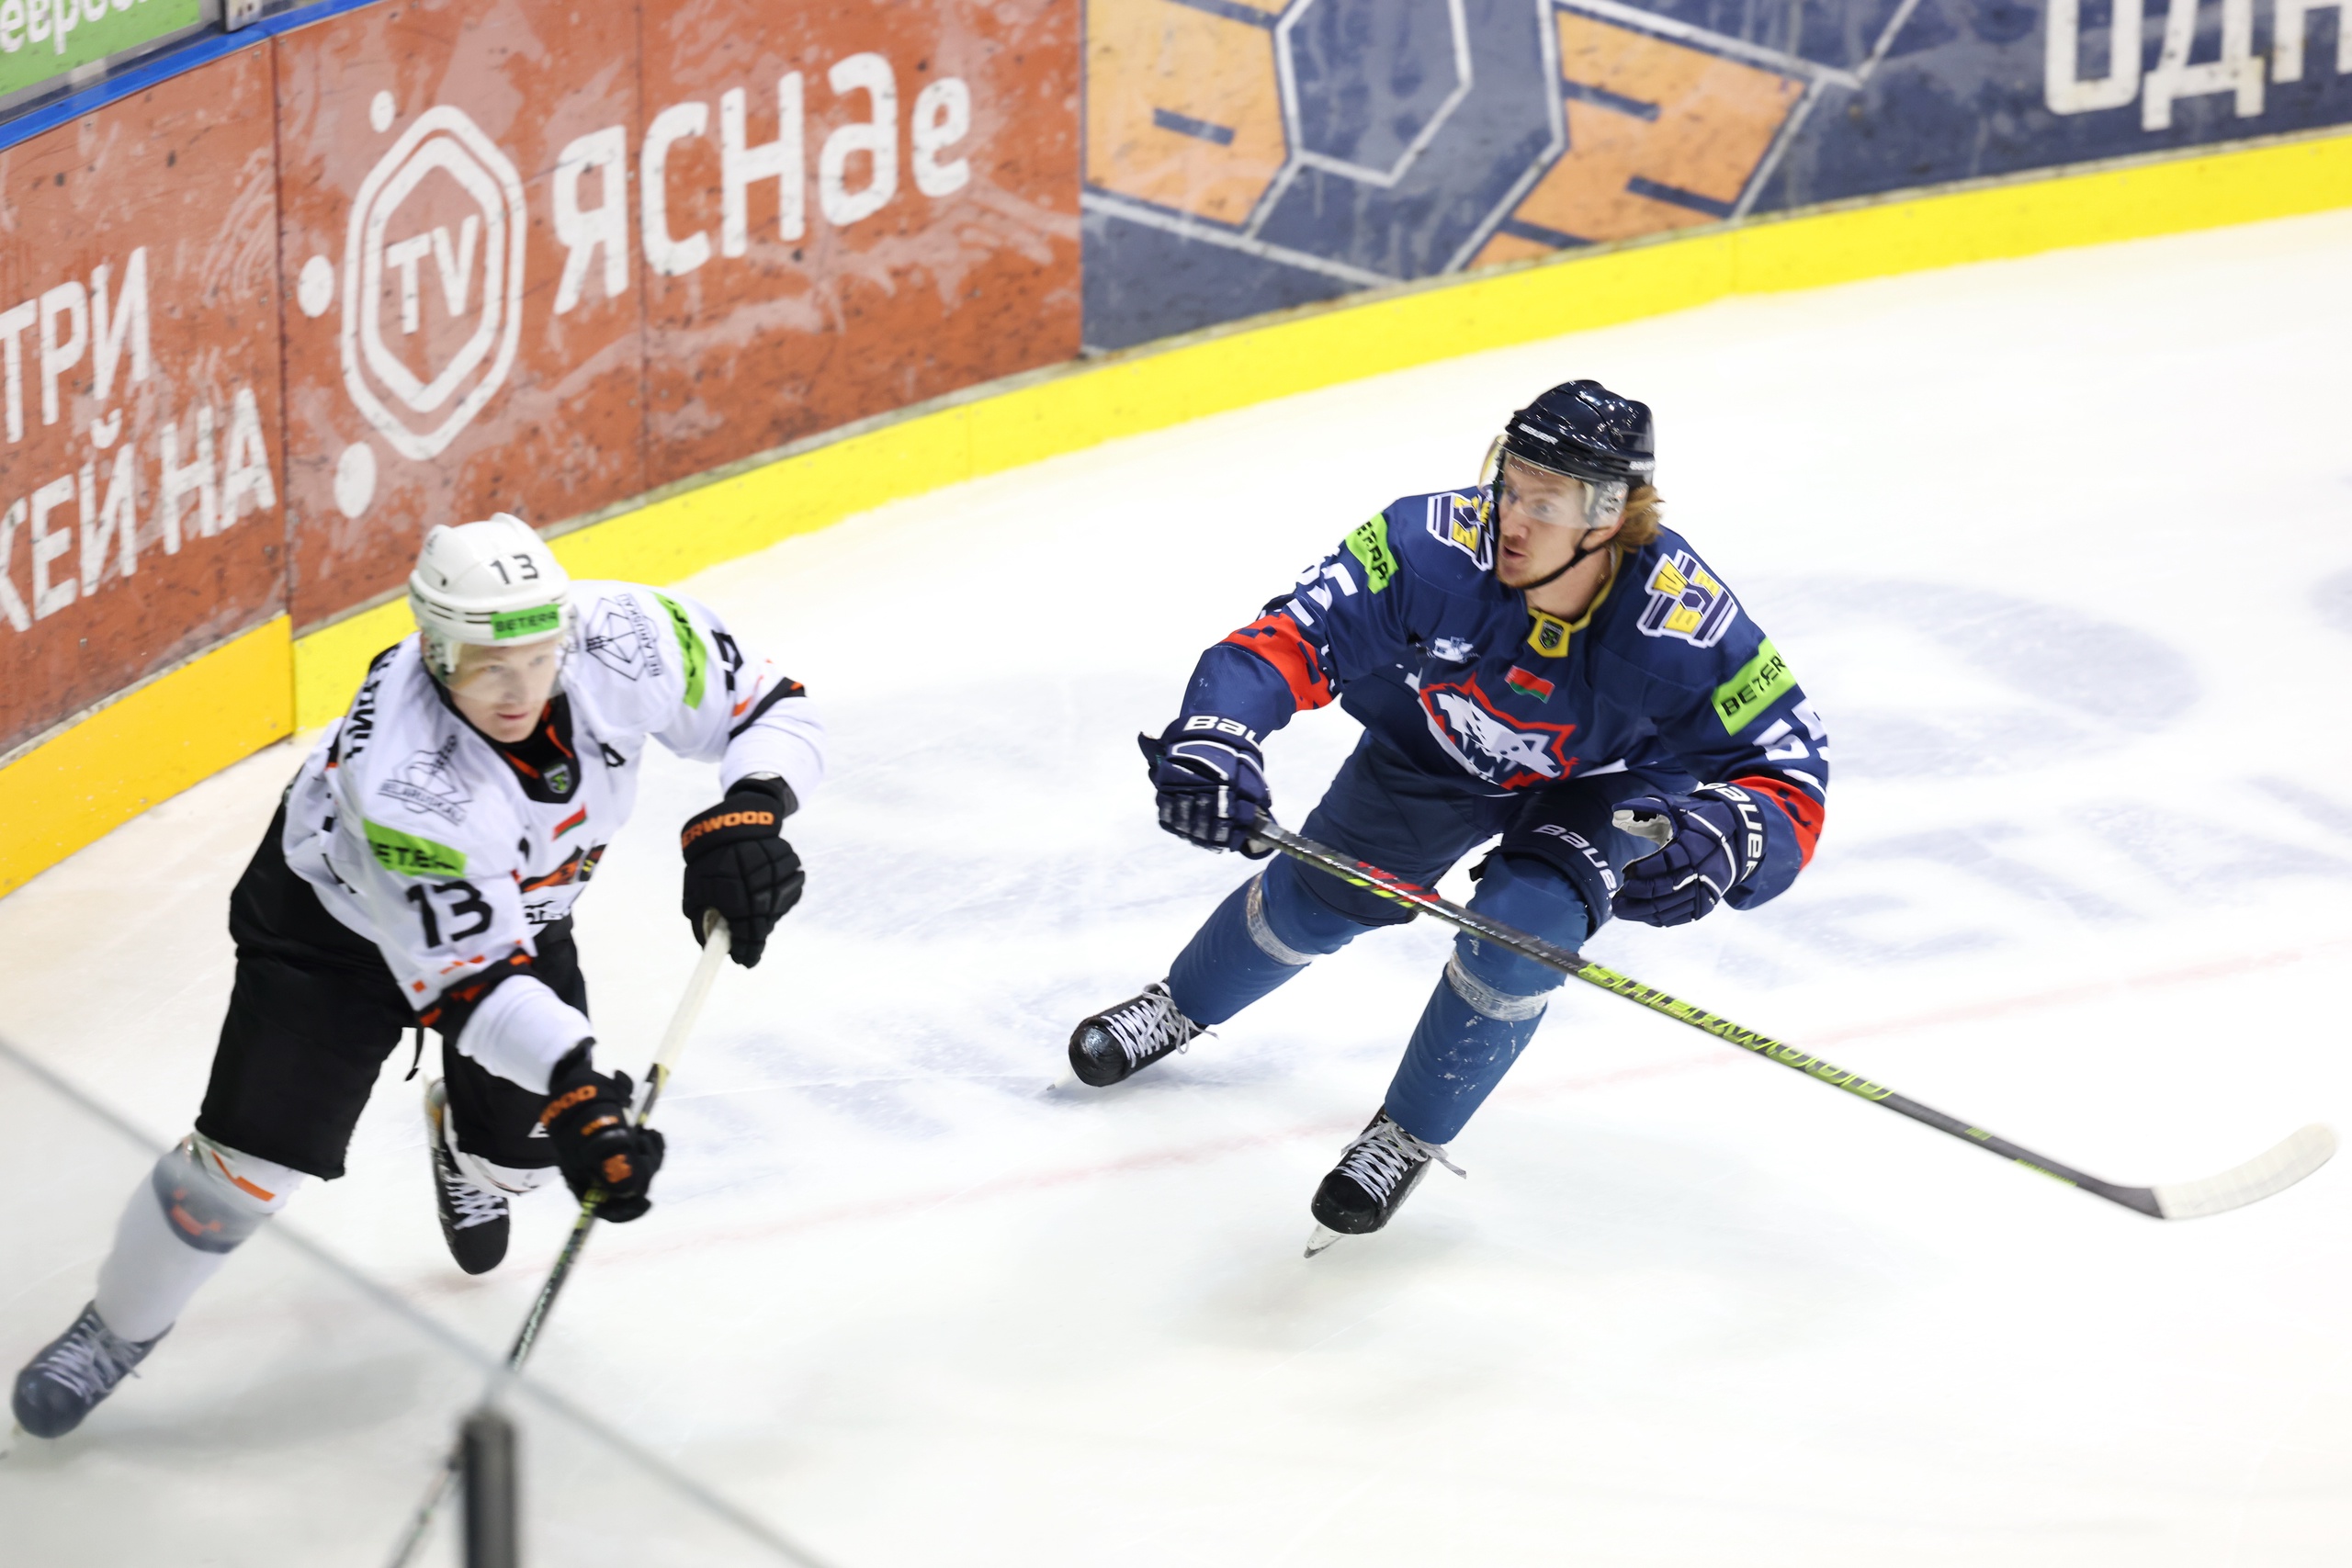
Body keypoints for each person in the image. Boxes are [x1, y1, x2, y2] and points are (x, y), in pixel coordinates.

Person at [11, 515, 821, 1438]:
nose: (517, 692)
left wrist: (752, 810)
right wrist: (577, 1085)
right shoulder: (407, 774)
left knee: (520, 1163)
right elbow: (470, 986)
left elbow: (773, 707)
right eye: (485, 667)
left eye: (537, 659)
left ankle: (465, 1145)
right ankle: (115, 1329)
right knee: (241, 1171)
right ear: (434, 647)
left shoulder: (625, 634)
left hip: (521, 917)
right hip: (333, 933)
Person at [1069, 380, 1830, 1245]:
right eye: (1510, 486)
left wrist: (1732, 835)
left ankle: (1406, 1133)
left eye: (1544, 503)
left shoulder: (1685, 622)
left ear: (1608, 519)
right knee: (1322, 895)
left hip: (1604, 787)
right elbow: (1290, 637)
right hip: (1440, 747)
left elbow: (1790, 770)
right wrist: (1218, 731)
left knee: (1524, 928)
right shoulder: (1428, 544)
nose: (1510, 519)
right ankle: (1180, 1004)